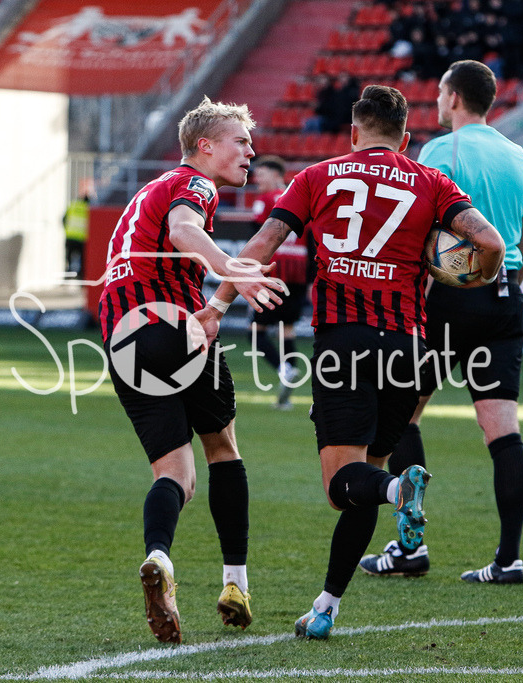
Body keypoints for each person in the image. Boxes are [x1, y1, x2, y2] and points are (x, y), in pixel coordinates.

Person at [194, 85, 506, 639]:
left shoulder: (318, 176)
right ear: (407, 140)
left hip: (345, 345)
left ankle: (396, 492)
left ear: (354, 133)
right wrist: (472, 273)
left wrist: (217, 305)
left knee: (346, 487)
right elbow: (492, 244)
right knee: (367, 477)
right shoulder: (432, 182)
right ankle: (325, 608)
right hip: (408, 351)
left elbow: (263, 243)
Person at [98, 96, 280, 645]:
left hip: (122, 334)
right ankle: (235, 585)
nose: (251, 152)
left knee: (174, 475)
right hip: (173, 324)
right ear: (204, 147)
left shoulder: (145, 194)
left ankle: (159, 557)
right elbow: (182, 230)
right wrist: (231, 269)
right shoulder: (192, 185)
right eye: (240, 142)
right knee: (223, 448)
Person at [359, 60, 523, 585]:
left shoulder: (442, 151)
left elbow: (418, 236)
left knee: (401, 418)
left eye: (440, 92)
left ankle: (410, 548)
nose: (437, 102)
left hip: (448, 302)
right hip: (505, 299)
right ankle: (509, 559)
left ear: (454, 97)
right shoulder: (521, 159)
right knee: (502, 431)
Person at [247, 155, 309, 410]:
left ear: (276, 175)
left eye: (261, 175)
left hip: (274, 272)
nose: (256, 180)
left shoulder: (264, 202)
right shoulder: (299, 200)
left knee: (255, 334)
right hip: (298, 273)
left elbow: (257, 239)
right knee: (287, 328)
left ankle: (284, 369)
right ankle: (290, 374)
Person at [63, 193, 89, 277]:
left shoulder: (73, 205)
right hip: (81, 239)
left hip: (70, 237)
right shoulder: (88, 209)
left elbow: (63, 219)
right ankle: (80, 276)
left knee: (68, 258)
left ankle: (67, 275)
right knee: (82, 259)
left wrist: (66, 230)